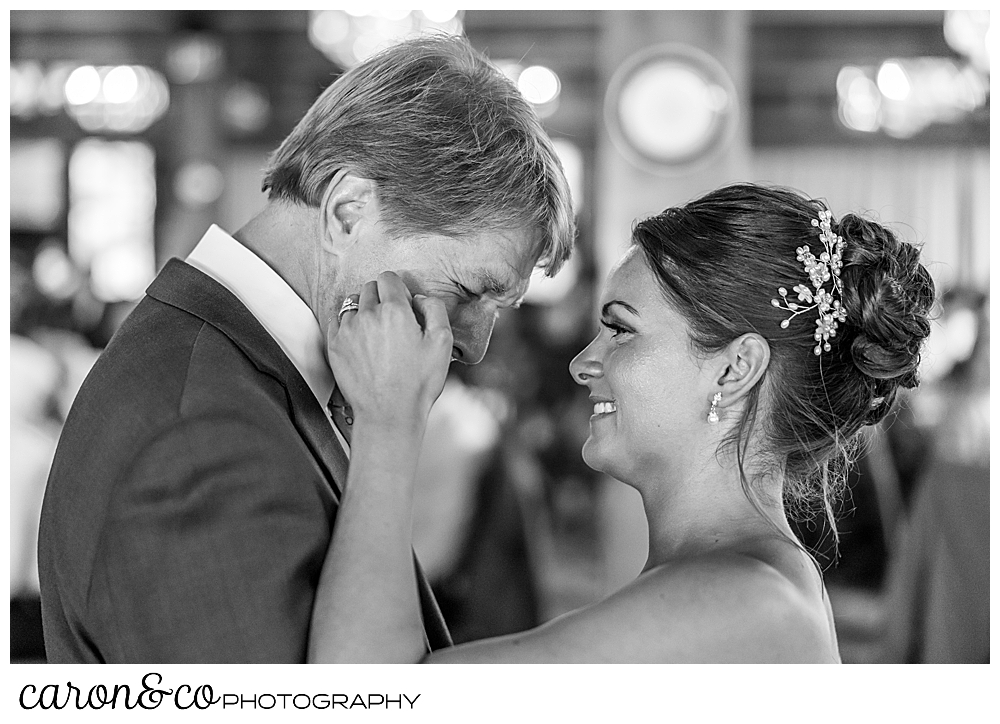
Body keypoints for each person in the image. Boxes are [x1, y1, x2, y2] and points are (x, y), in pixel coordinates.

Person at [37, 35, 574, 663]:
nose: (475, 346)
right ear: (347, 211)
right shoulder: (200, 433)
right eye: (467, 291)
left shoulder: (241, 377)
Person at [309, 183, 935, 663]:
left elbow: (366, 703)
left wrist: (388, 420)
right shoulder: (735, 584)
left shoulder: (745, 602)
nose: (584, 363)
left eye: (621, 330)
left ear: (734, 369)